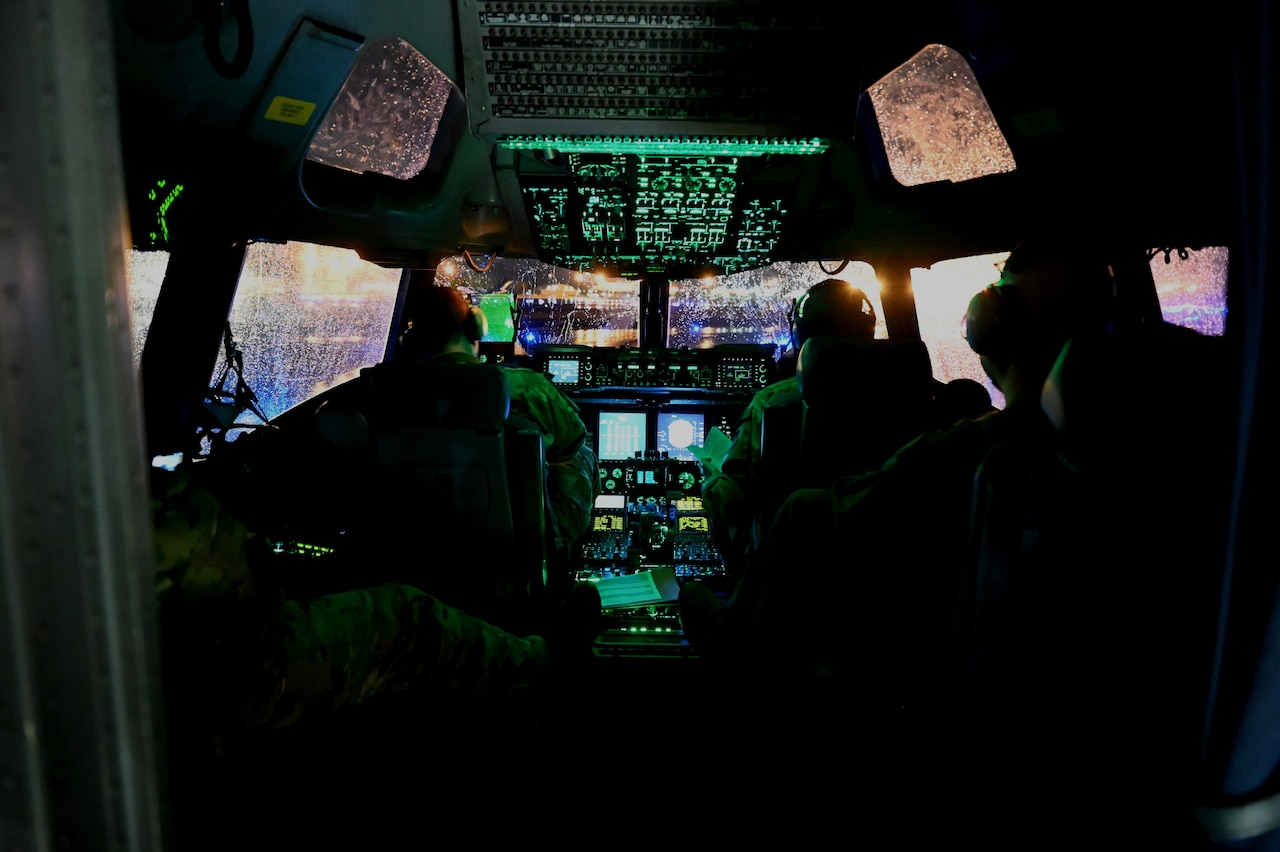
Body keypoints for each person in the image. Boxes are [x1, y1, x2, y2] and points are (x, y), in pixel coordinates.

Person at [680, 231, 1117, 689]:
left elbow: (830, 512)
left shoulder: (967, 451)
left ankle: (733, 642)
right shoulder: (960, 412)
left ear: (990, 324)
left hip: (878, 645)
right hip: (980, 652)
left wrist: (713, 480)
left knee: (802, 509)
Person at [154, 462, 603, 760]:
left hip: (180, 650)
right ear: (470, 330)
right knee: (403, 619)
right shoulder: (528, 392)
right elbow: (575, 438)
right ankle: (540, 663)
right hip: (208, 676)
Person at [399, 285, 600, 561]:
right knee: (582, 453)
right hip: (521, 554)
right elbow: (573, 439)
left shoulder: (387, 394)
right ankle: (558, 553)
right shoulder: (521, 385)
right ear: (475, 328)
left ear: (411, 341)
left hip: (421, 551)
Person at [700, 278, 877, 570]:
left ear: (798, 334)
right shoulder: (906, 395)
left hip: (781, 568)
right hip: (870, 559)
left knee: (692, 594)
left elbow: (734, 505)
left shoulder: (773, 402)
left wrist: (711, 480)